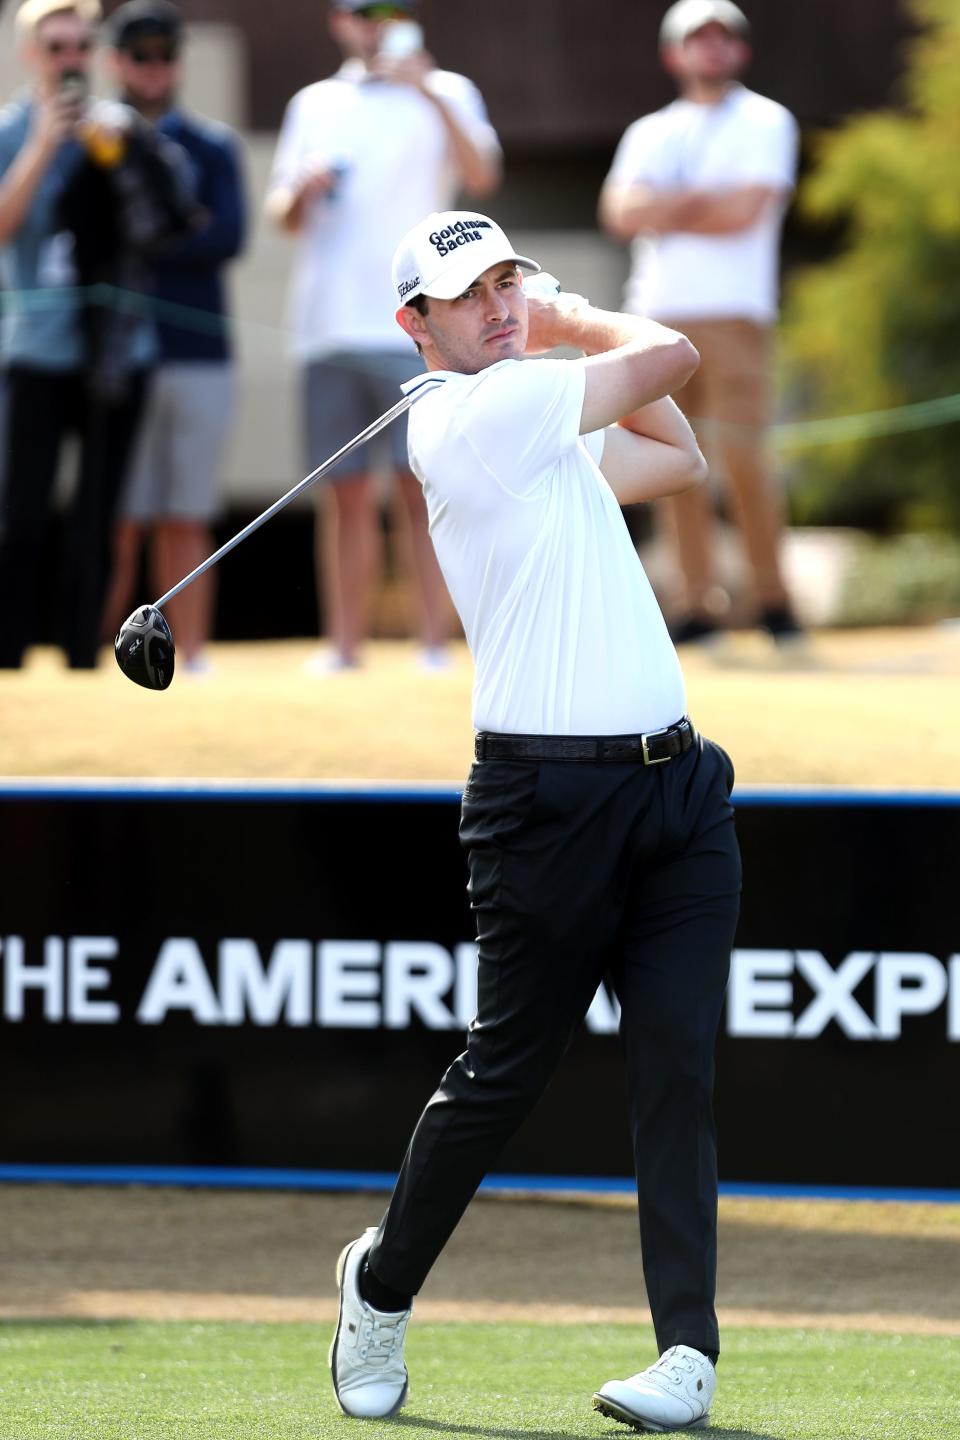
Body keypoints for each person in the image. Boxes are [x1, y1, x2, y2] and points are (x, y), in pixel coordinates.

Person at [327, 209, 742, 1432]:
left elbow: (675, 457)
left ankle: (686, 1356)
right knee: (505, 1072)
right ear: (417, 324)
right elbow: (668, 358)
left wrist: (553, 339)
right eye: (474, 295)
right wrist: (566, 319)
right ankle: (381, 1283)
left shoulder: (537, 426)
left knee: (676, 1067)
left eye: (510, 281)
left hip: (678, 794)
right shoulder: (464, 421)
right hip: (543, 805)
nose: (502, 307)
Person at [266, 0, 502, 672]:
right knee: (343, 497)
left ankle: (434, 643)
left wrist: (425, 87)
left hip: (421, 328)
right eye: (361, 11)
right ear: (338, 21)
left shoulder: (448, 89)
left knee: (422, 488)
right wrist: (302, 190)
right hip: (327, 327)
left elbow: (482, 175)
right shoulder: (315, 101)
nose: (375, 22)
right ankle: (344, 647)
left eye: (388, 9)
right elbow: (282, 214)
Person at [599, 0, 801, 646]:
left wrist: (665, 205)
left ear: (740, 50)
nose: (710, 49)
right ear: (674, 54)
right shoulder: (649, 130)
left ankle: (773, 601)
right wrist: (700, 201)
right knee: (674, 464)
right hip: (656, 316)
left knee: (744, 460)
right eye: (697, 39)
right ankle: (695, 606)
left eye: (722, 39)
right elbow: (619, 212)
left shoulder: (767, 120)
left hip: (736, 316)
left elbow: (745, 210)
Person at [0, 0, 194, 669]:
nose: (70, 59)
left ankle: (83, 654)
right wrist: (44, 145)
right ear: (32, 54)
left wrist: (118, 155)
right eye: (56, 47)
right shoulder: (12, 131)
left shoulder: (120, 129)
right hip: (35, 349)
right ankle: (10, 654)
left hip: (118, 351)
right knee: (22, 511)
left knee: (99, 514)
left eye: (80, 46)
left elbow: (173, 212)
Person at [100, 0, 247, 673]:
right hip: (116, 355)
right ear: (117, 62)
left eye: (164, 55)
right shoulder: (97, 140)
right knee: (119, 518)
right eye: (140, 56)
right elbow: (98, 238)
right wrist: (176, 227)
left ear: (178, 62)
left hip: (199, 356)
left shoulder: (213, 145)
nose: (154, 69)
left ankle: (190, 659)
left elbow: (228, 236)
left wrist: (148, 235)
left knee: (186, 513)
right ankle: (98, 654)